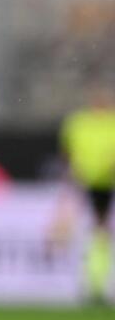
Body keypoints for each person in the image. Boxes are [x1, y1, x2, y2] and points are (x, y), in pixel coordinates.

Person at [59, 84, 115, 302]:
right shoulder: (78, 123)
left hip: (106, 182)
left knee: (98, 231)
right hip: (84, 183)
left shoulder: (110, 123)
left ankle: (96, 283)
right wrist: (72, 170)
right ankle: (91, 282)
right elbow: (67, 151)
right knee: (89, 230)